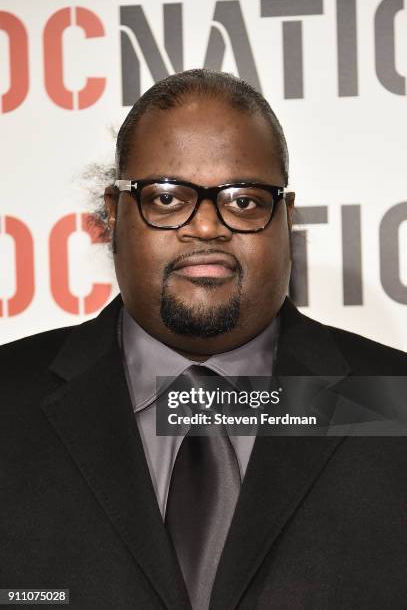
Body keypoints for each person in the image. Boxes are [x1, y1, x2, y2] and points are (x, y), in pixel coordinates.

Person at [1, 69, 406, 610]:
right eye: (167, 198)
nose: (208, 227)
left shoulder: (390, 402)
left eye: (243, 201)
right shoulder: (10, 401)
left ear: (286, 219)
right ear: (115, 214)